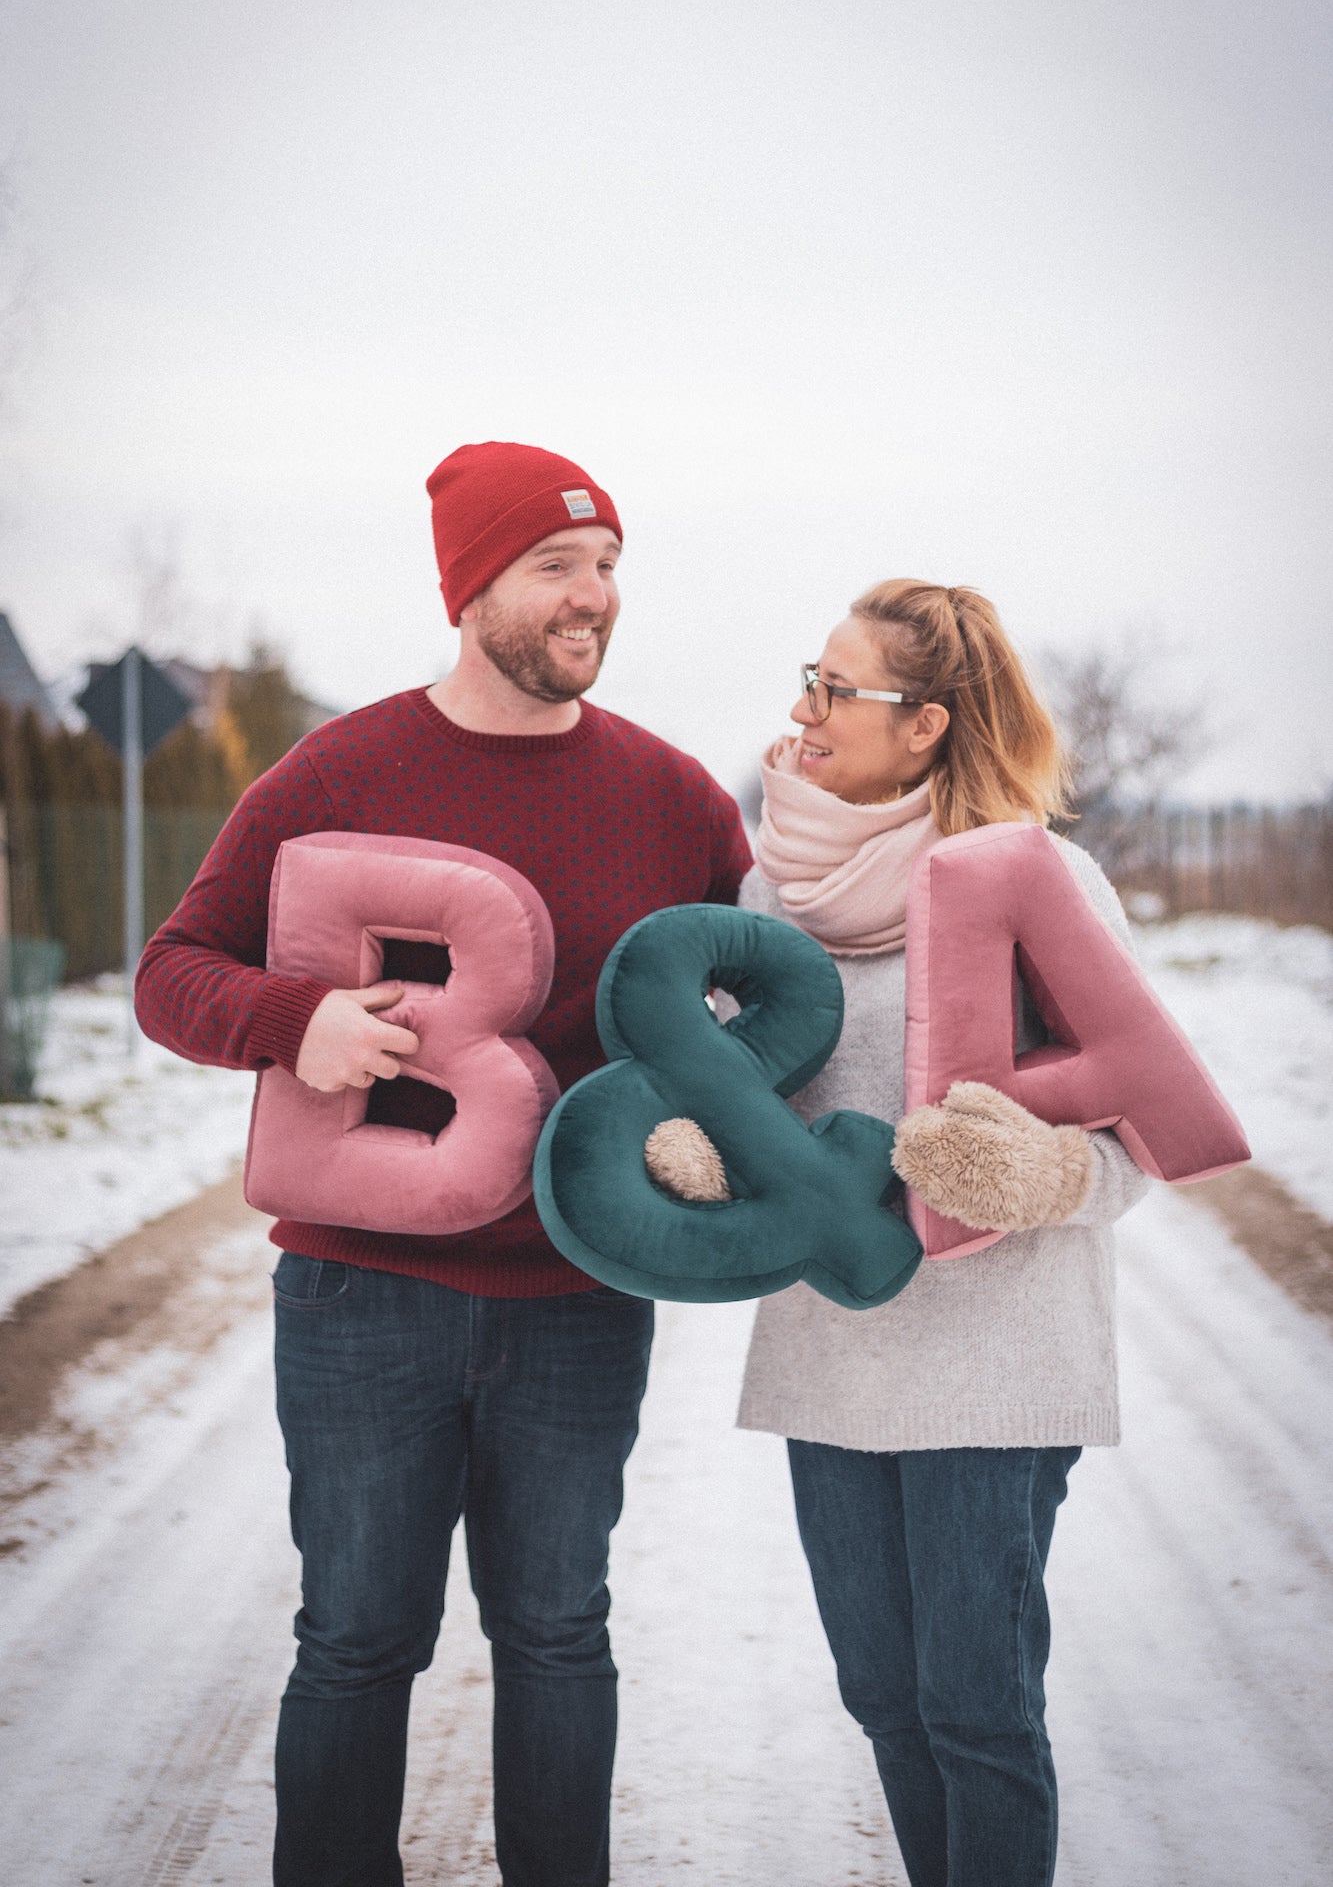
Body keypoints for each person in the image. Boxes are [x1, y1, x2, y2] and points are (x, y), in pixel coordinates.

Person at [134, 440, 751, 1887]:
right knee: (355, 1637)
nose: (591, 597)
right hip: (364, 1300)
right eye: (555, 567)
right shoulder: (342, 770)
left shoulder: (671, 798)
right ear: (471, 589)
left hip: (579, 1292)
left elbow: (776, 998)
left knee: (556, 1632)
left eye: (606, 568)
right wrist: (298, 1020)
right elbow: (173, 972)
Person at [732, 582, 1147, 1887]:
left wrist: (1042, 1175)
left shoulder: (1040, 884)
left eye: (831, 688)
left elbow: (1140, 1139)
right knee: (883, 1697)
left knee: (975, 1710)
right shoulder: (769, 890)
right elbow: (739, 1096)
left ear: (921, 726)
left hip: (994, 1364)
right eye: (807, 675)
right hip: (830, 1349)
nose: (799, 710)